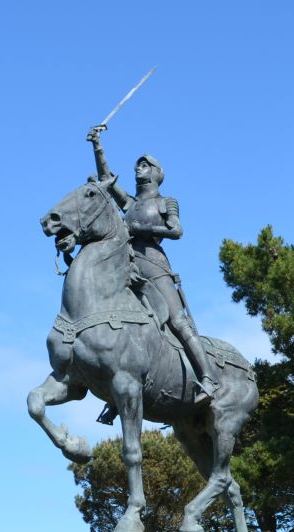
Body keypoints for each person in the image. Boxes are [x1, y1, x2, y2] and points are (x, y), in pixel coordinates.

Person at [88, 125, 219, 401]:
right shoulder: (131, 203)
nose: (139, 168)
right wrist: (97, 146)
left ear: (156, 173)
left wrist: (145, 229)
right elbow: (106, 179)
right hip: (130, 266)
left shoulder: (166, 202)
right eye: (137, 165)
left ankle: (207, 378)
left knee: (177, 322)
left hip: (155, 266)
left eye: (145, 165)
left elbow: (177, 231)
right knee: (122, 321)